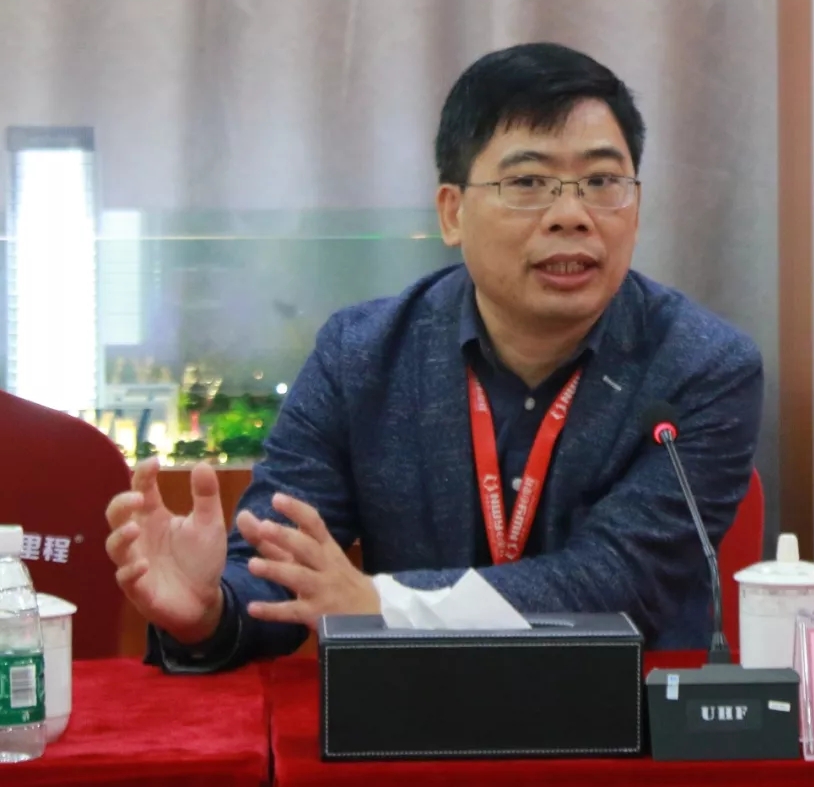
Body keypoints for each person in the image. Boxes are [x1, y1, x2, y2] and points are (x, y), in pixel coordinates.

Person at [105, 41, 763, 672]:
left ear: (636, 207)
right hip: (407, 716)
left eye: (601, 181)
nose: (572, 214)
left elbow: (618, 582)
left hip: (627, 723)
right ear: (452, 212)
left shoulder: (704, 367)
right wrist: (212, 610)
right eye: (528, 181)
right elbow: (282, 566)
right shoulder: (361, 356)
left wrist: (382, 605)